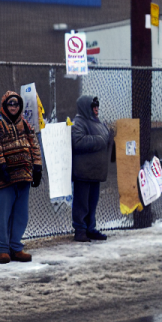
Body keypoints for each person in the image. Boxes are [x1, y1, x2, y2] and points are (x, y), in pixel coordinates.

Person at [0, 91, 43, 264]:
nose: (14, 107)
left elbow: (34, 145)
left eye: (16, 104)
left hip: (23, 177)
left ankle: (16, 247)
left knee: (20, 215)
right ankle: (1, 249)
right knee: (2, 215)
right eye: (10, 104)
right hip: (2, 178)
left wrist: (37, 167)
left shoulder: (26, 125)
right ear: (4, 105)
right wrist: (1, 166)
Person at [71, 95, 113, 242]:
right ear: (85, 107)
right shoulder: (79, 122)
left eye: (97, 107)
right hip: (83, 172)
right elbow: (77, 141)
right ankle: (80, 229)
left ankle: (90, 228)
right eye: (93, 107)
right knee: (81, 203)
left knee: (92, 202)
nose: (96, 109)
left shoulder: (97, 122)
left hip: (95, 172)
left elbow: (106, 139)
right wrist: (99, 140)